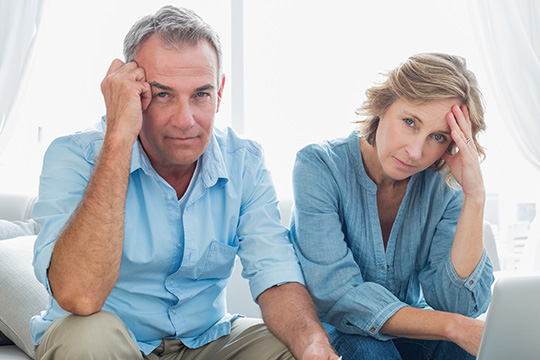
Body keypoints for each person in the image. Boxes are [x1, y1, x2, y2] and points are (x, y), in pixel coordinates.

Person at [31, 6, 338, 360]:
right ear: (133, 93)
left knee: (297, 345)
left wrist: (312, 346)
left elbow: (277, 277)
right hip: (110, 339)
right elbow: (78, 294)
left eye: (201, 95)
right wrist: (119, 135)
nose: (185, 120)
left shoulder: (244, 162)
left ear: (219, 92)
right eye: (163, 95)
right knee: (86, 334)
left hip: (205, 340)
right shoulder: (74, 156)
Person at [289, 53, 494, 359]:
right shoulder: (319, 166)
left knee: (463, 349)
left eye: (437, 136)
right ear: (383, 106)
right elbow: (337, 295)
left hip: (411, 328)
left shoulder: (444, 187)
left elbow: (458, 306)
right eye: (410, 122)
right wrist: (452, 326)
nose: (415, 152)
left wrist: (474, 196)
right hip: (336, 330)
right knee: (370, 351)